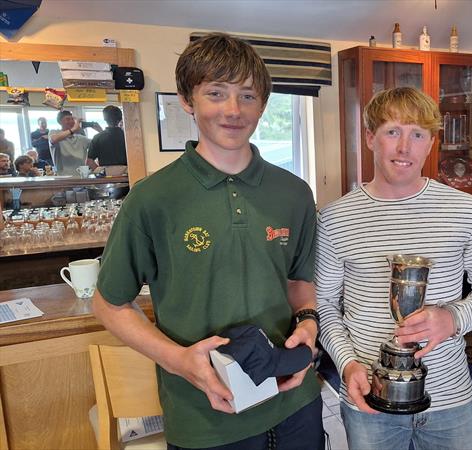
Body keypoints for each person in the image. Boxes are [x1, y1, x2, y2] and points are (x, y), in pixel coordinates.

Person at [92, 33, 324, 450]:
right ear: (187, 99)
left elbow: (297, 281)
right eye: (216, 93)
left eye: (248, 96)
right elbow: (110, 303)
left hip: (294, 402)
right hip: (206, 420)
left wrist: (308, 322)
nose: (233, 110)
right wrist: (180, 361)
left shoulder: (294, 193)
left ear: (263, 104)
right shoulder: (152, 199)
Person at [316, 87, 472, 450]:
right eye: (392, 132)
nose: (405, 147)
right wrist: (347, 364)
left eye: (417, 134)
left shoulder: (465, 210)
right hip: (368, 393)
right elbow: (324, 304)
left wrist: (452, 318)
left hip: (450, 397)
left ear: (431, 143)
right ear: (370, 138)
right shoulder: (335, 218)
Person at [49, 110, 101, 176]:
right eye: (67, 119)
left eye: (72, 119)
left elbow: (99, 143)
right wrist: (73, 129)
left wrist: (100, 131)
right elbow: (53, 140)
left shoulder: (81, 138)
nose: (71, 121)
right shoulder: (54, 132)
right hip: (63, 178)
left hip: (82, 177)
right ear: (60, 122)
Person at [87, 105, 128, 176]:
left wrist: (101, 172)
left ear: (105, 119)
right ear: (120, 118)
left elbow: (89, 161)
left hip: (106, 180)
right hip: (126, 176)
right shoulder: (128, 137)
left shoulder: (97, 137)